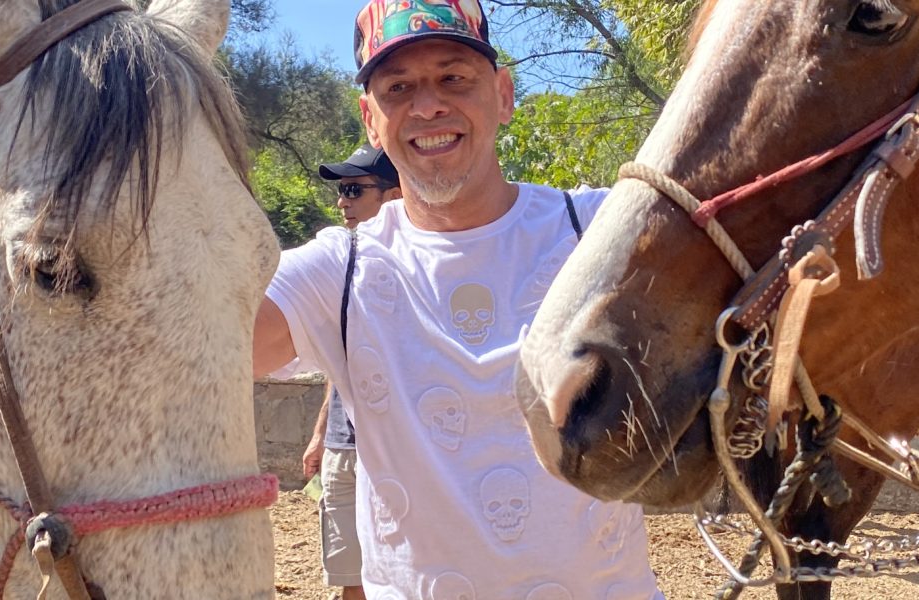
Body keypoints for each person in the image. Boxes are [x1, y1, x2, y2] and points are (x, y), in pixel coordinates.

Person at [252, 0, 661, 596]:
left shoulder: (600, 229)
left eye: (453, 78)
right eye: (398, 87)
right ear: (371, 119)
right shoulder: (340, 270)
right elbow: (209, 346)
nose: (427, 105)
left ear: (503, 95)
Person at [303, 145, 402, 600]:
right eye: (341, 191)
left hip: (398, 457)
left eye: (354, 190)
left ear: (394, 195)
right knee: (350, 581)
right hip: (344, 448)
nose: (342, 201)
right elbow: (336, 361)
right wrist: (322, 433)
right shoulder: (339, 268)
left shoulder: (425, 271)